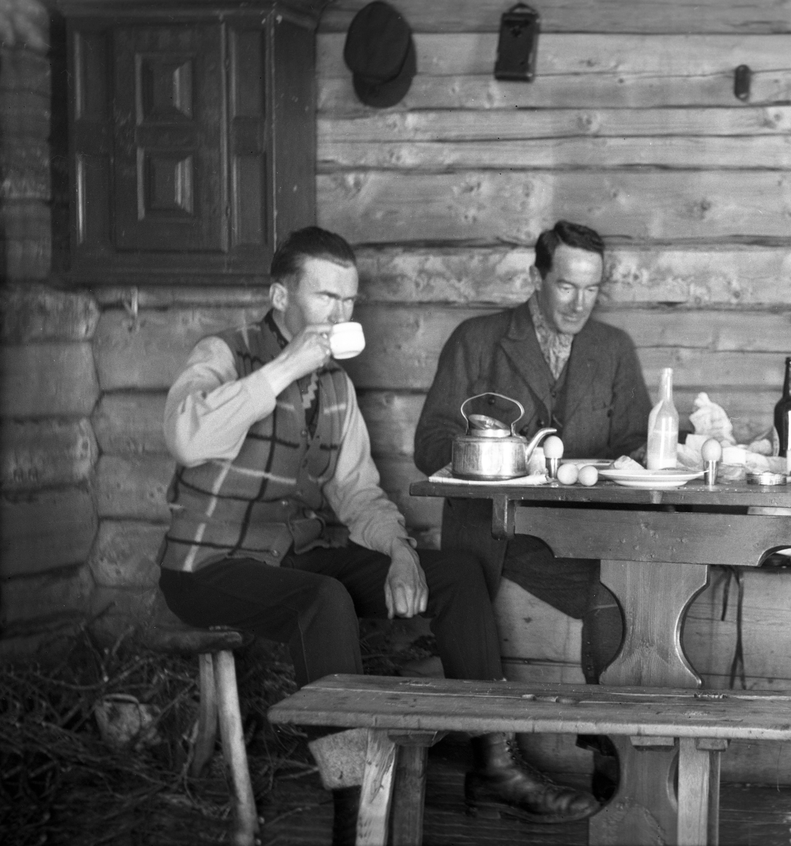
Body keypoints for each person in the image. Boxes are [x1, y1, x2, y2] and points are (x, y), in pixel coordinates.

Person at [157, 226, 598, 844]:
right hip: (205, 565)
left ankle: (494, 763)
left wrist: (398, 552)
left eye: (349, 301)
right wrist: (285, 368)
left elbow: (357, 491)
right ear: (280, 297)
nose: (339, 314)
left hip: (293, 557)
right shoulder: (223, 354)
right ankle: (353, 795)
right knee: (323, 601)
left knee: (457, 575)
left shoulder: (336, 388)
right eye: (325, 298)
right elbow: (186, 437)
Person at [413, 220, 652, 795]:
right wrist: (507, 452)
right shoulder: (479, 339)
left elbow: (638, 444)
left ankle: (607, 752)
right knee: (608, 588)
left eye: (593, 289)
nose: (580, 303)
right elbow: (429, 445)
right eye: (567, 286)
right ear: (536, 277)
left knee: (622, 586)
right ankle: (523, 761)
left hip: (581, 528)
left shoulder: (612, 348)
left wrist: (678, 438)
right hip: (497, 531)